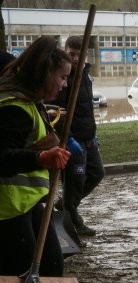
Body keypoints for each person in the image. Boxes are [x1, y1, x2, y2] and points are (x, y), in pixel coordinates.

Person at [0, 36, 72, 283]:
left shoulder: (32, 102)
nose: (65, 84)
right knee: (22, 281)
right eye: (62, 77)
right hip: (6, 209)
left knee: (52, 270)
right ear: (44, 74)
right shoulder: (13, 108)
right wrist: (40, 157)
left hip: (28, 204)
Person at [50, 36, 105, 237]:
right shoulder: (64, 77)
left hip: (89, 138)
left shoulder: (86, 74)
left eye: (78, 54)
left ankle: (65, 204)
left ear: (85, 54)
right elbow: (58, 111)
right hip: (73, 141)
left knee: (97, 173)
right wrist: (68, 137)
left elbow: (86, 109)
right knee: (75, 183)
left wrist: (93, 133)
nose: (74, 59)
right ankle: (73, 220)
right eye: (70, 54)